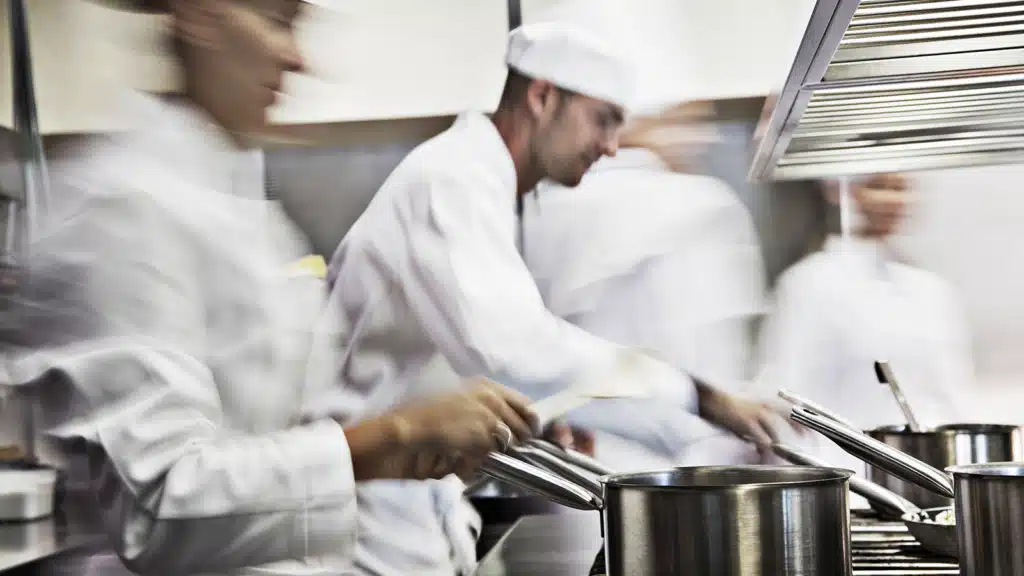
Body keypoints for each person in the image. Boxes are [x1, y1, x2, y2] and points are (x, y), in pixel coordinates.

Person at [3, 1, 536, 575]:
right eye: (276, 19)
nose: (296, 57)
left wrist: (413, 446)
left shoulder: (236, 205)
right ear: (199, 15)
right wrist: (393, 437)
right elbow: (158, 507)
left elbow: (288, 439)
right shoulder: (117, 206)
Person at [321, 22, 792, 575]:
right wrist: (702, 398)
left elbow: (463, 355)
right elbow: (513, 347)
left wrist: (542, 416)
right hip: (364, 519)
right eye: (603, 119)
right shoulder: (450, 178)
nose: (613, 145)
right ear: (543, 98)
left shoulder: (489, 186)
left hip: (411, 510)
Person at [521, 100, 780, 470]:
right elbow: (708, 362)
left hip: (586, 462)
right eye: (685, 122)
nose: (700, 139)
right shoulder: (695, 205)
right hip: (679, 465)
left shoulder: (548, 207)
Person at [756, 173, 975, 488]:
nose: (892, 201)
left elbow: (954, 400)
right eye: (877, 186)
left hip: (935, 484)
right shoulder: (809, 285)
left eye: (900, 188)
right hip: (849, 486)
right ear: (838, 191)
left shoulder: (932, 290)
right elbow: (789, 402)